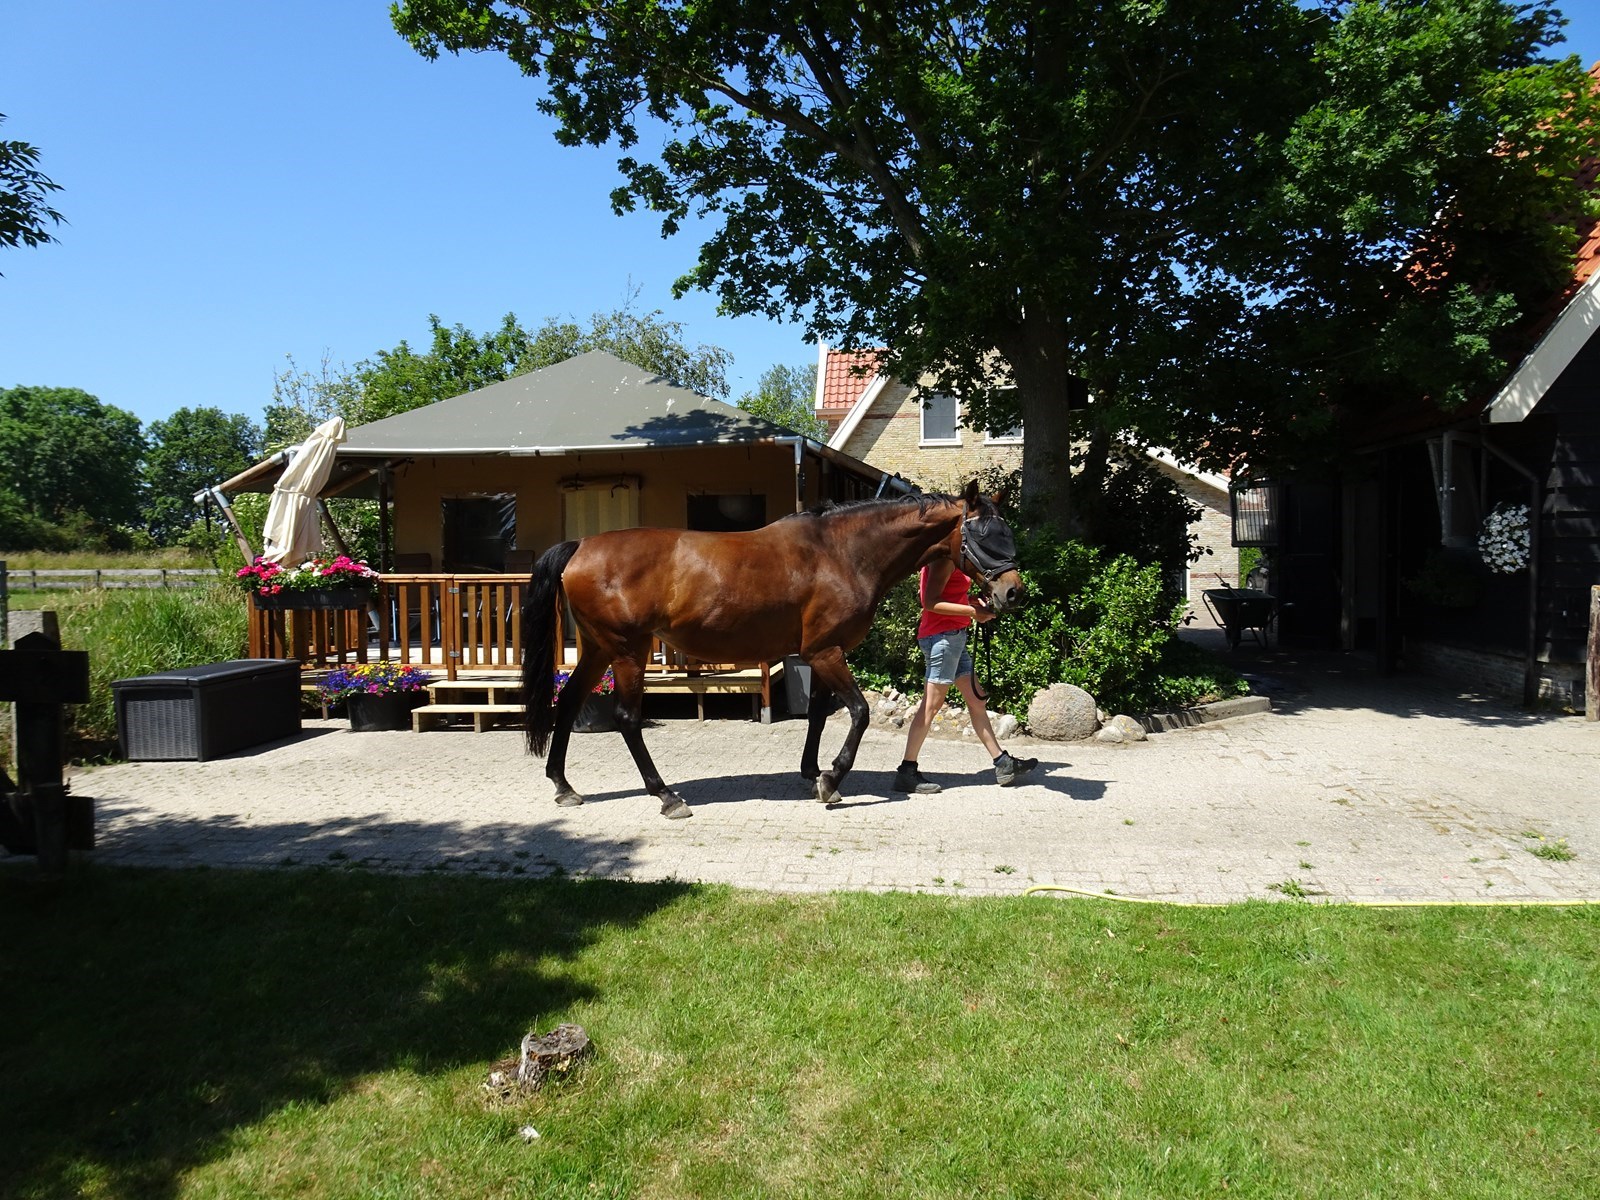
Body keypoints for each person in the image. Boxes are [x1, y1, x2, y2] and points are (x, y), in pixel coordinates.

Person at [892, 557, 1038, 793]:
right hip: (942, 638)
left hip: (953, 637)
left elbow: (948, 597)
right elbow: (929, 602)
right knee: (930, 706)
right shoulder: (942, 561)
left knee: (976, 699)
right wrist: (973, 611)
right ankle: (907, 771)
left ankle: (1003, 763)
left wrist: (972, 601)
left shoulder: (952, 560)